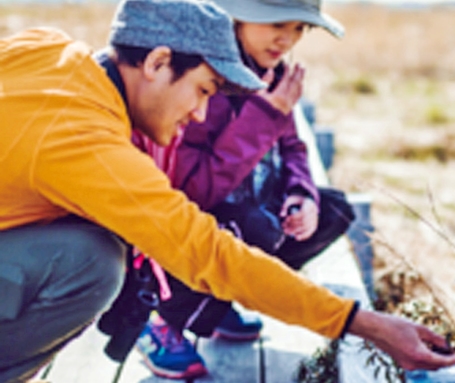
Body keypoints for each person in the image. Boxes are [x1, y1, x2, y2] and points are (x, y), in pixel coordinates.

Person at [0, 0, 455, 382]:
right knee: (91, 264)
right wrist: (363, 323)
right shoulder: (87, 140)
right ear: (158, 63)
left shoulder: (50, 48)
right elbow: (208, 253)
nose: (200, 114)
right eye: (203, 90)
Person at [121, 0, 355, 378]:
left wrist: (302, 194)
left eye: (300, 29)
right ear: (237, 16)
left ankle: (218, 297)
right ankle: (160, 320)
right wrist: (265, 115)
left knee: (335, 211)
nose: (287, 38)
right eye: (276, 22)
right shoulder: (203, 80)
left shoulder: (274, 74)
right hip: (198, 221)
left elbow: (293, 146)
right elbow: (193, 187)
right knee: (255, 228)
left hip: (248, 206)